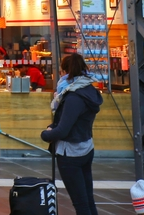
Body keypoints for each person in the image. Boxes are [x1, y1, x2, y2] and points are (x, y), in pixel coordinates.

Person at [41, 53, 102, 215]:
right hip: (86, 146)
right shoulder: (89, 90)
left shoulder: (74, 96)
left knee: (80, 203)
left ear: (65, 72)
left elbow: (63, 130)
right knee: (88, 198)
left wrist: (46, 134)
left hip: (70, 153)